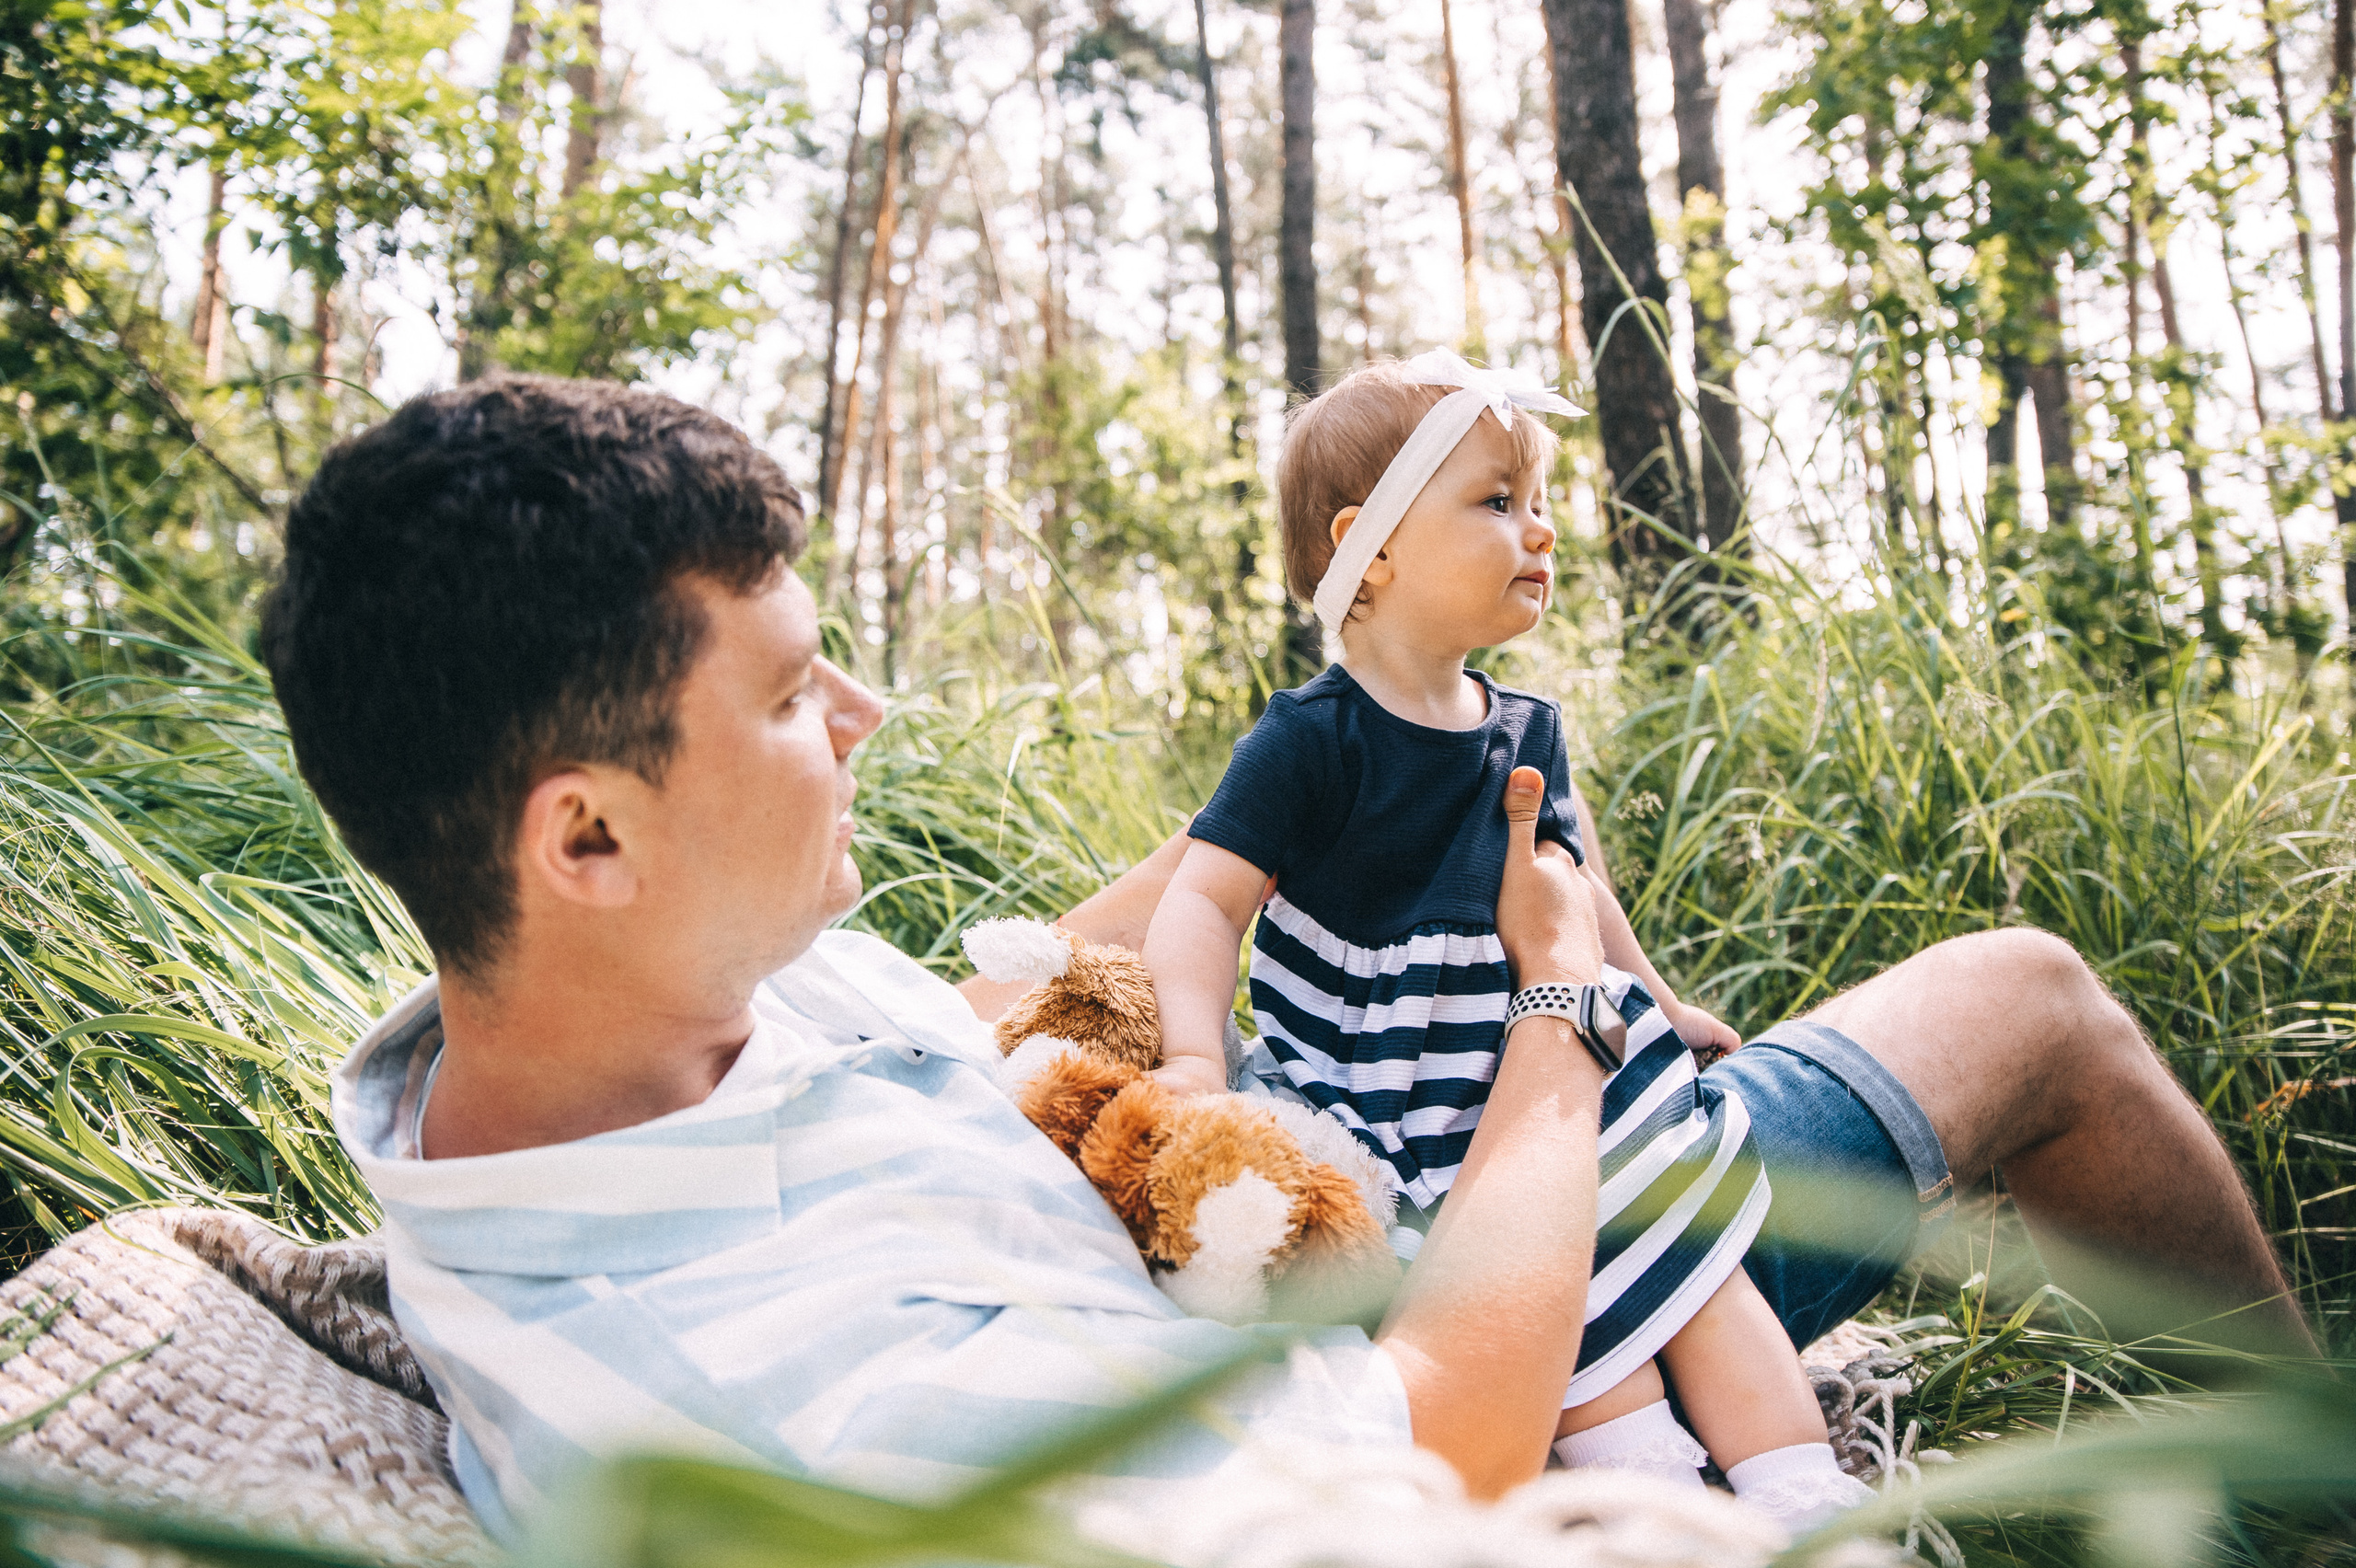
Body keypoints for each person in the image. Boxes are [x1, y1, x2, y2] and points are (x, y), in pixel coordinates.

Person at [271, 375, 2311, 1542]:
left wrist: (1334, 764)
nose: (867, 719)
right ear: (590, 832)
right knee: (2028, 994)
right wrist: (1544, 1001)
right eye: (801, 697)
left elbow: (1030, 989)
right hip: (1482, 1269)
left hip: (1354, 1170)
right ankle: (2306, 1467)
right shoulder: (784, 1396)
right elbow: (1444, 1440)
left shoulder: (630, 1018)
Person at [1143, 352, 1867, 1528]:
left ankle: (1804, 1495)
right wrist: (1190, 1054)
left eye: (1537, 505)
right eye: (1494, 502)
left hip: (1550, 1054)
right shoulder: (1310, 740)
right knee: (1559, 1297)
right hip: (1399, 1090)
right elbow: (1201, 902)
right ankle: (1655, 1498)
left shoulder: (1525, 724)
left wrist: (1654, 997)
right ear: (1366, 550)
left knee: (1685, 1253)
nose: (1537, 532)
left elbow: (1568, 880)